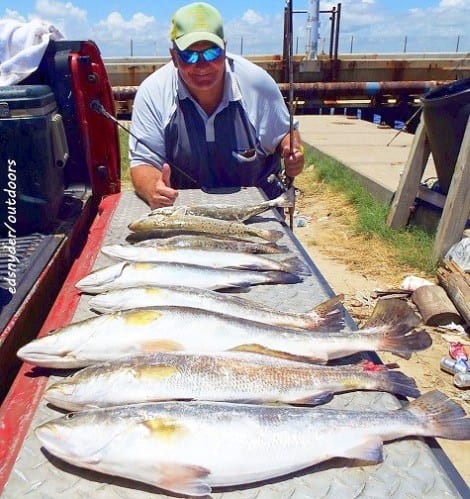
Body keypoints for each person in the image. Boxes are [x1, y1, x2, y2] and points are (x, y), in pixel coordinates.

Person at [129, 2, 304, 209]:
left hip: (258, 213)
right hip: (186, 214)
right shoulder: (153, 91)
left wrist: (292, 149)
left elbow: (285, 133)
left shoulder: (257, 83)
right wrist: (153, 188)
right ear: (174, 56)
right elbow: (142, 163)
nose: (202, 65)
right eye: (189, 55)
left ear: (225, 49)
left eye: (211, 53)